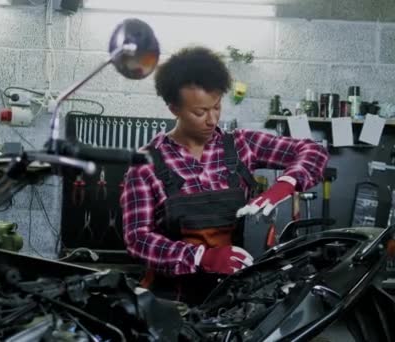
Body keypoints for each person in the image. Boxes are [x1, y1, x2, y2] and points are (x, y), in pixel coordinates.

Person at [119, 46, 328, 304]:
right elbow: (137, 239)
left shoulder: (241, 146)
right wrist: (200, 257)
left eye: (216, 107)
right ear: (174, 108)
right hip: (171, 299)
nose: (212, 119)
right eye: (200, 112)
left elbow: (313, 150)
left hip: (231, 294)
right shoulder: (146, 163)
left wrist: (286, 183)